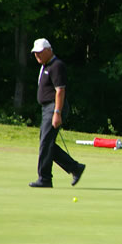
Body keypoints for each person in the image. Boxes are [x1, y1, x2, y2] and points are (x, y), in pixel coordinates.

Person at [29, 38, 85, 188]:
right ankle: (75, 167)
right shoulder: (46, 65)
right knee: (47, 143)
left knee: (46, 143)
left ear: (49, 50)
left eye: (40, 52)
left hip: (54, 107)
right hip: (47, 108)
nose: (37, 56)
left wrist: (57, 112)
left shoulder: (56, 65)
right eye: (35, 53)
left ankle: (45, 178)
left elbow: (60, 91)